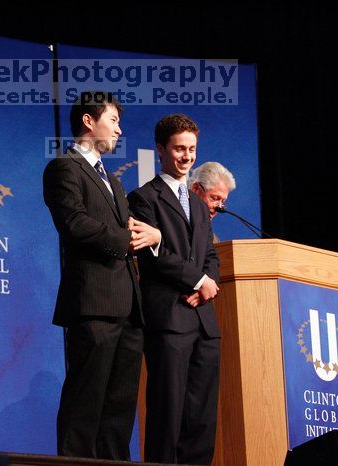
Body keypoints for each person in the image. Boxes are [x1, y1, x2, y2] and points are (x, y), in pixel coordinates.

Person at [42, 91, 161, 460]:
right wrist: (126, 240)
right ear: (88, 121)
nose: (119, 130)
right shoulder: (63, 167)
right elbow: (74, 223)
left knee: (119, 412)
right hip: (93, 303)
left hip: (129, 307)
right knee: (85, 403)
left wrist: (152, 237)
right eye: (113, 121)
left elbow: (130, 230)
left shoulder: (114, 181)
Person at [127, 114, 221, 464]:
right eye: (180, 149)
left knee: (202, 420)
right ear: (161, 150)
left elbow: (210, 253)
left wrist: (208, 284)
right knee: (168, 416)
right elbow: (153, 257)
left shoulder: (198, 203)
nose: (187, 157)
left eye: (192, 149)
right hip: (169, 321)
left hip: (204, 324)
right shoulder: (142, 198)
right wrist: (198, 280)